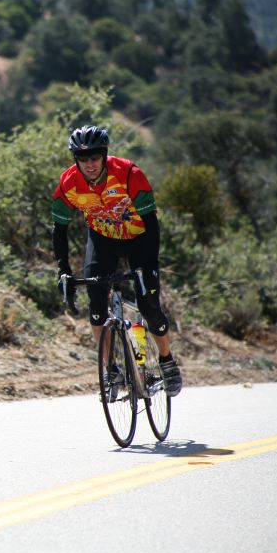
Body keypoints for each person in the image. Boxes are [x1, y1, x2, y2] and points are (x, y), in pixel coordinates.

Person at [51, 125, 182, 396]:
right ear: (76, 159)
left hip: (139, 238)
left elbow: (150, 222)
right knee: (97, 308)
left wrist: (148, 267)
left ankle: (167, 361)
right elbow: (59, 229)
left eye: (95, 158)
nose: (89, 164)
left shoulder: (130, 174)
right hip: (102, 240)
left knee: (149, 305)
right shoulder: (68, 183)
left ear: (104, 155)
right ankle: (111, 371)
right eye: (83, 159)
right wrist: (63, 270)